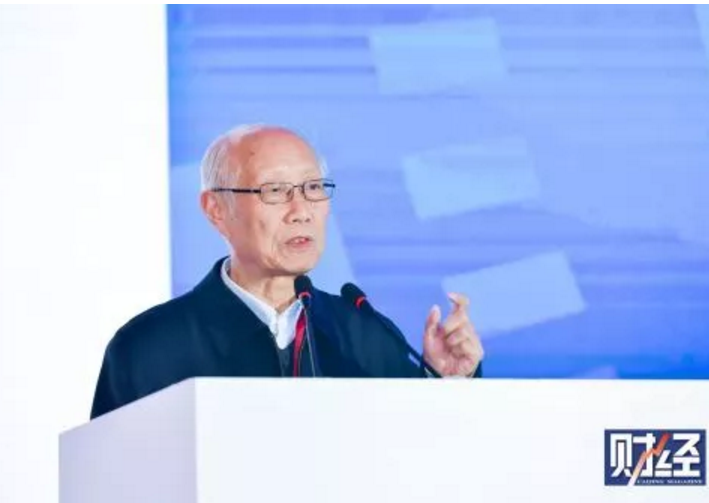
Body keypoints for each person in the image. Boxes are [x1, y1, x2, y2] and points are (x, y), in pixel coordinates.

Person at [90, 125, 484, 419]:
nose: (301, 211)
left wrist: (446, 383)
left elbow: (423, 463)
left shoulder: (363, 333)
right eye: (275, 191)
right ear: (216, 210)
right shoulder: (149, 347)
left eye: (313, 188)